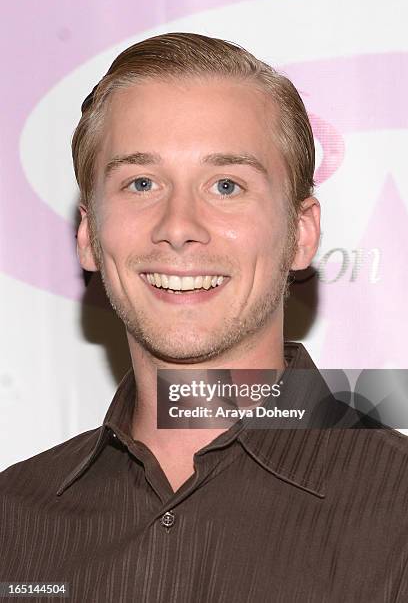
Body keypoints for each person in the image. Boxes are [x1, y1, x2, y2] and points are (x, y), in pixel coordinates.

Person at [1, 32, 407, 602]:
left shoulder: (397, 514)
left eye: (226, 185)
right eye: (141, 183)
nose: (178, 224)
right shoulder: (12, 521)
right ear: (90, 235)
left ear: (302, 234)